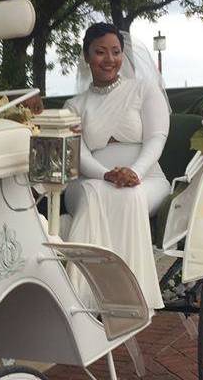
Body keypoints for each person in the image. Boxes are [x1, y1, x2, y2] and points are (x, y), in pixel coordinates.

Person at [63, 22, 171, 313]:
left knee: (129, 195)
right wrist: (105, 174)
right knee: (95, 193)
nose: (109, 59)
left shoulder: (144, 90)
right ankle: (83, 296)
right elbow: (77, 151)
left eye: (115, 51)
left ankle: (131, 294)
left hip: (146, 178)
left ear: (123, 55)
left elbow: (156, 137)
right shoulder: (74, 105)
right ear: (87, 56)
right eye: (100, 52)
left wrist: (134, 171)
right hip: (90, 178)